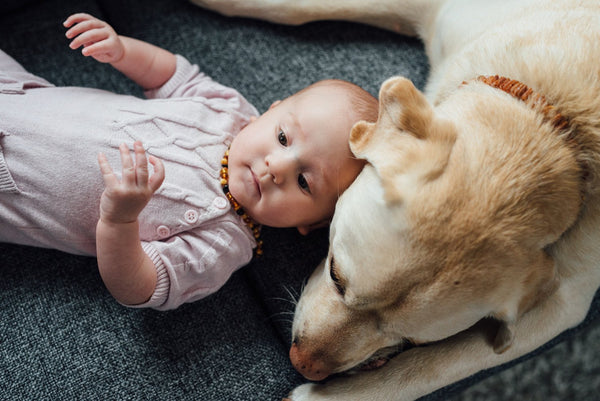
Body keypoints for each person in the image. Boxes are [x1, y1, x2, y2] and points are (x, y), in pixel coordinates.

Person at [0, 13, 378, 310]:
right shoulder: (229, 108)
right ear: (269, 111)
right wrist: (122, 51)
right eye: (282, 137)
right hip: (21, 90)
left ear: (310, 224)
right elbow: (172, 73)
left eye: (304, 182)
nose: (277, 167)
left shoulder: (221, 247)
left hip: (13, 186)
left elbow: (138, 287)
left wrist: (120, 219)